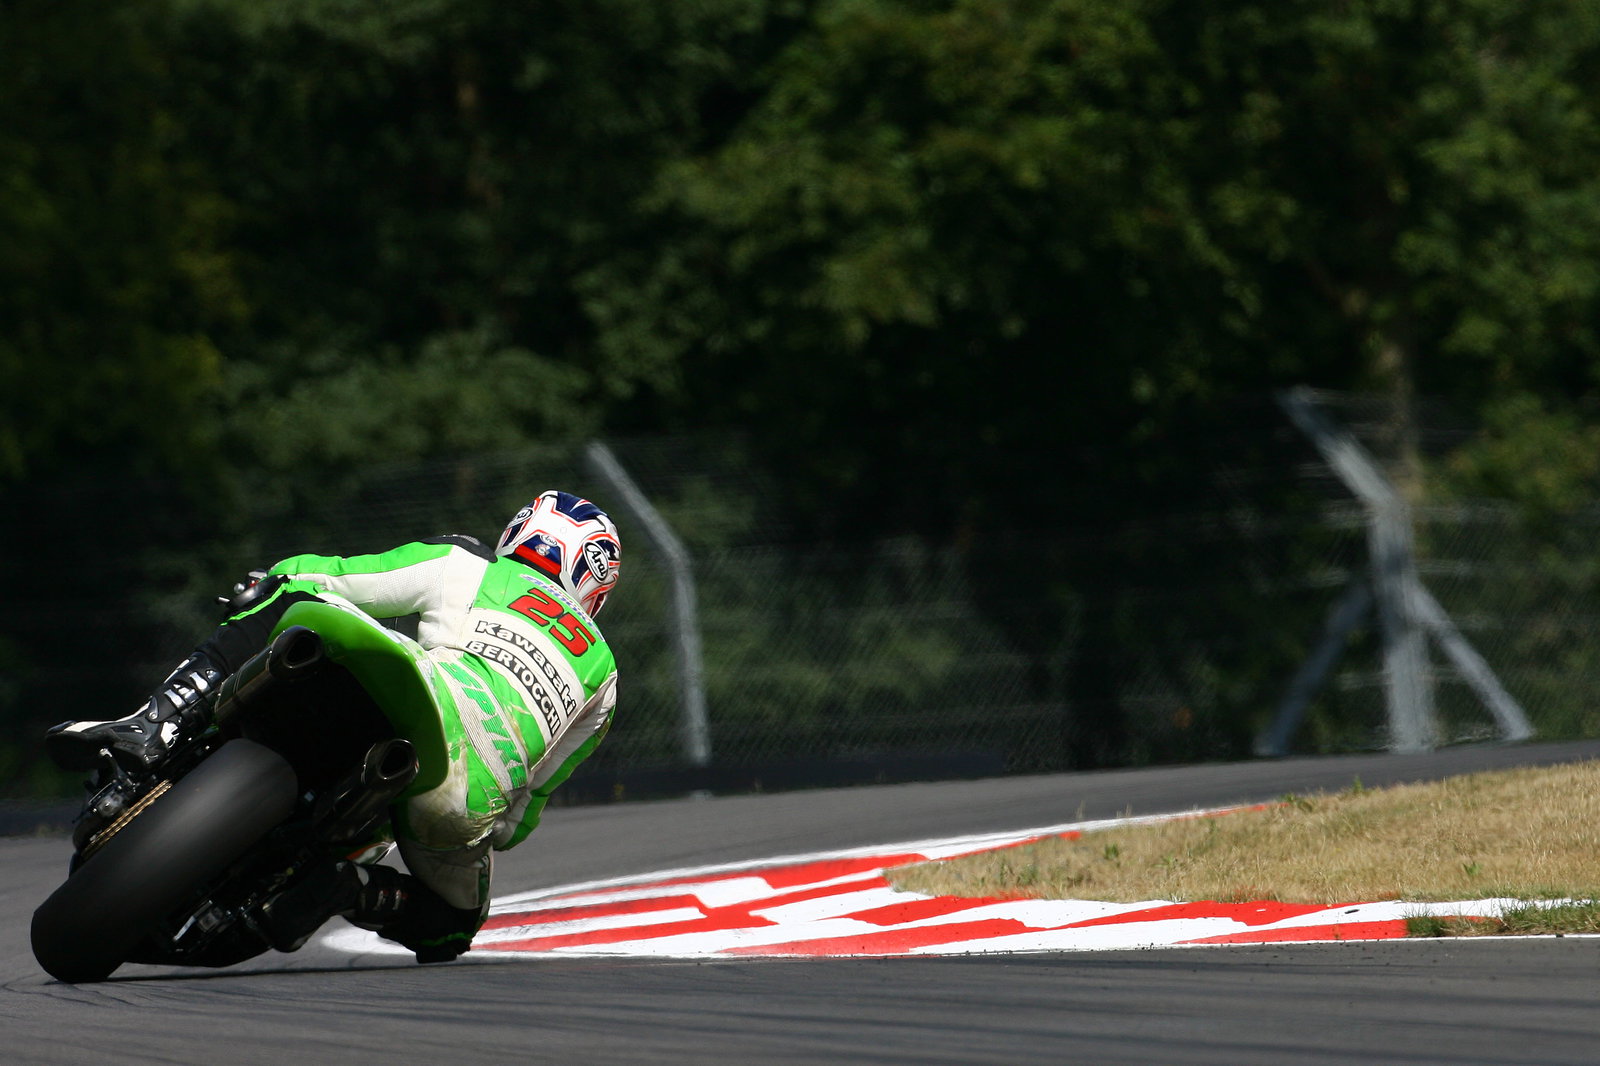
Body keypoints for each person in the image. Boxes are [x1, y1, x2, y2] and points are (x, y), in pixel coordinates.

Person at [46, 490, 622, 963]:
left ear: (518, 534)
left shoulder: (467, 563)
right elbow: (524, 813)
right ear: (594, 582)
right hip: (464, 798)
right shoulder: (604, 674)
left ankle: (154, 726)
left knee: (289, 590)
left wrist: (267, 585)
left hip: (422, 688)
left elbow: (335, 578)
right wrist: (484, 834)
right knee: (453, 927)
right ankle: (349, 889)